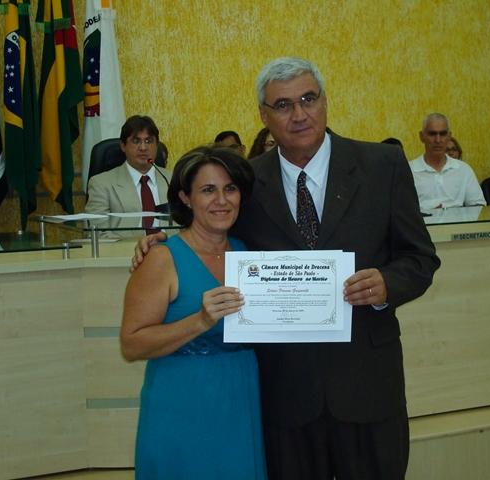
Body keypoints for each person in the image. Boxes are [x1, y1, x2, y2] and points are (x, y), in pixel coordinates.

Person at [133, 57, 440, 479]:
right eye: (282, 105)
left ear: (325, 102)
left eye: (308, 99)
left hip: (367, 387)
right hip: (284, 396)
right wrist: (160, 242)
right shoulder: (245, 183)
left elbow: (421, 258)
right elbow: (211, 231)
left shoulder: (382, 165)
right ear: (264, 116)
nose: (299, 114)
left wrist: (388, 283)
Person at [121, 146, 267, 480]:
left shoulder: (249, 252)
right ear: (185, 198)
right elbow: (131, 344)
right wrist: (200, 321)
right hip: (181, 402)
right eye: (208, 190)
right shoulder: (162, 258)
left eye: (230, 188)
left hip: (242, 398)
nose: (222, 200)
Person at [85, 115, 172, 215]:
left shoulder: (173, 180)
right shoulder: (101, 184)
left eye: (148, 141)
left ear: (157, 145)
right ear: (123, 146)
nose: (143, 148)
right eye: (136, 141)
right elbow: (96, 224)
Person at [409, 113, 485, 210]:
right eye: (432, 134)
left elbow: (479, 207)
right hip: (421, 220)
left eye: (443, 134)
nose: (438, 140)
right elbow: (401, 210)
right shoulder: (409, 171)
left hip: (458, 220)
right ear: (422, 136)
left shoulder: (463, 169)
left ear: (449, 136)